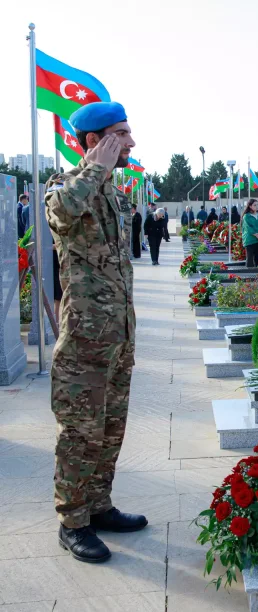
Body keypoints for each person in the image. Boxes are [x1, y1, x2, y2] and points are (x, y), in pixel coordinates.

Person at [44, 101, 146, 564]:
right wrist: (93, 168)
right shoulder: (63, 186)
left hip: (118, 336)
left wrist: (102, 175)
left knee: (109, 429)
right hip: (84, 340)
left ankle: (99, 506)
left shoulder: (111, 194)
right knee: (79, 434)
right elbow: (63, 214)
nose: (131, 142)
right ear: (94, 141)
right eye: (121, 134)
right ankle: (73, 522)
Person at [242, 199, 258, 267]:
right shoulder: (246, 216)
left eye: (257, 204)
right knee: (249, 258)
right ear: (250, 206)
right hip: (250, 240)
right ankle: (249, 275)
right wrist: (257, 235)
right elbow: (248, 228)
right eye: (254, 205)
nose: (257, 206)